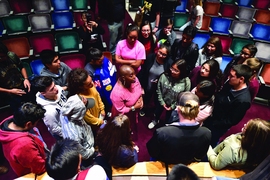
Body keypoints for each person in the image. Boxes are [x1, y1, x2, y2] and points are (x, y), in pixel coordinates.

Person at [146, 92, 211, 165]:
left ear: (178, 109)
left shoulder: (162, 132)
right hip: (188, 165)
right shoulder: (207, 133)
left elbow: (152, 152)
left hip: (165, 164)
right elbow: (200, 155)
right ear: (198, 110)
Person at [204, 64, 252, 147]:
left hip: (217, 126)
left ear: (241, 79)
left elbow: (232, 120)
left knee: (210, 143)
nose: (228, 77)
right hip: (211, 117)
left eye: (231, 76)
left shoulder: (243, 100)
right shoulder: (230, 84)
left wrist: (214, 123)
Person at [0, 102, 47, 176]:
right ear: (28, 124)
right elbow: (39, 167)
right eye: (36, 123)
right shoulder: (24, 145)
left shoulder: (9, 122)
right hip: (32, 173)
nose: (36, 125)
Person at [148, 59, 191, 129]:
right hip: (162, 100)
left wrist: (173, 106)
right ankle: (155, 120)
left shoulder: (186, 82)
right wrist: (162, 102)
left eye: (176, 70)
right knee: (157, 111)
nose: (172, 71)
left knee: (169, 117)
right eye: (172, 68)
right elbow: (158, 89)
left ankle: (166, 126)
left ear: (182, 71)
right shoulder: (164, 75)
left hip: (175, 105)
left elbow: (184, 97)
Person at [137, 44, 173, 116]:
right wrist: (141, 86)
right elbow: (143, 71)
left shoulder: (169, 63)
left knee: (157, 101)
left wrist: (160, 81)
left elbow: (169, 77)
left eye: (164, 54)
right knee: (146, 98)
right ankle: (144, 108)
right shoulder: (150, 57)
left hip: (159, 87)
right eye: (159, 52)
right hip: (148, 82)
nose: (160, 55)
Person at [60, 94, 96, 167]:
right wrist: (93, 150)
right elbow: (83, 154)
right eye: (85, 108)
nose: (87, 109)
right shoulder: (74, 135)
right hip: (87, 155)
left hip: (87, 140)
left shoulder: (67, 110)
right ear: (79, 112)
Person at [67, 68, 106, 134]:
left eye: (91, 81)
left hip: (99, 115)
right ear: (80, 87)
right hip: (92, 124)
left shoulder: (91, 85)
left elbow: (97, 95)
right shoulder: (80, 100)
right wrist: (99, 122)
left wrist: (102, 109)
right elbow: (88, 117)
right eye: (88, 84)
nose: (92, 84)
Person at [0, 42, 35, 111]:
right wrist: (10, 91)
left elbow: (21, 67)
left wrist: (26, 79)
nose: (0, 59)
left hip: (21, 83)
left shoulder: (11, 56)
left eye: (2, 56)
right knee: (21, 110)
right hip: (9, 92)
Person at [110, 65, 143, 131]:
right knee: (123, 129)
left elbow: (139, 88)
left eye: (134, 73)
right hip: (124, 115)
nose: (134, 77)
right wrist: (134, 107)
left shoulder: (134, 80)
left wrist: (141, 99)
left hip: (133, 111)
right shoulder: (117, 93)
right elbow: (121, 110)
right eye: (131, 75)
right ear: (123, 78)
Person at [84, 48, 117, 112]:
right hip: (100, 94)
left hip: (111, 87)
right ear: (92, 60)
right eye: (100, 61)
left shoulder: (104, 60)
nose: (102, 62)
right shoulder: (88, 70)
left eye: (103, 59)